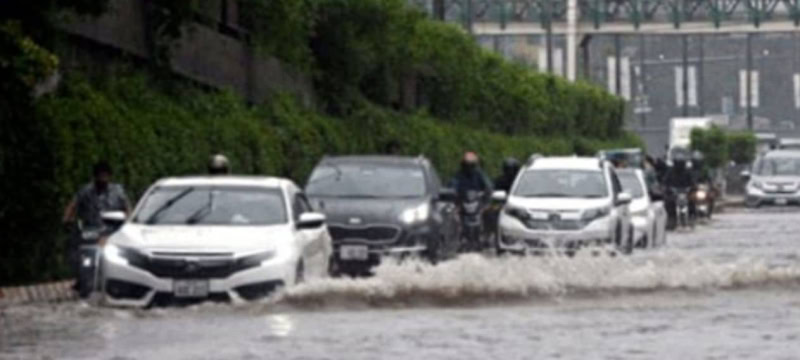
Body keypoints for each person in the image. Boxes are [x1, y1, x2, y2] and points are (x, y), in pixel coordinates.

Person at [62, 161, 131, 291]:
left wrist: (127, 223)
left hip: (112, 232)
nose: (102, 179)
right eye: (100, 176)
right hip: (90, 232)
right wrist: (67, 220)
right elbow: (73, 205)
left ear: (110, 176)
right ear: (95, 177)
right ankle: (81, 277)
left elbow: (127, 208)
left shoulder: (117, 192)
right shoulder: (85, 191)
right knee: (77, 250)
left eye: (105, 176)